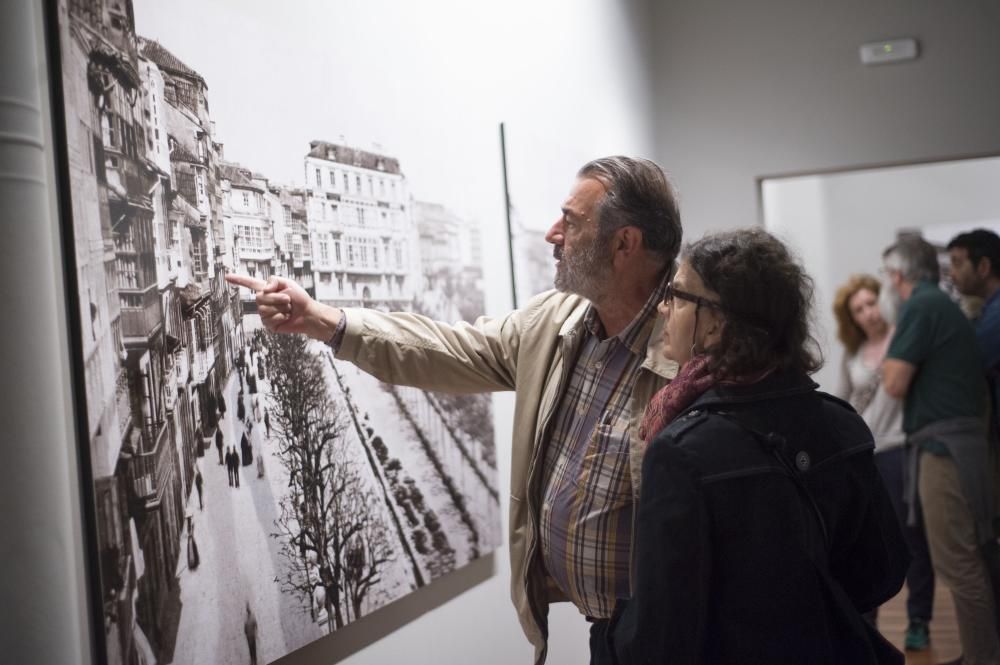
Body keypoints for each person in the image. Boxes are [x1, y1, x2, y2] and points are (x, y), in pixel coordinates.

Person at [227, 156, 683, 664]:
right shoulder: (559, 323)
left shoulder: (696, 352)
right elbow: (449, 349)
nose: (553, 234)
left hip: (675, 638)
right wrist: (324, 320)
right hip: (609, 635)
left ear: (625, 243)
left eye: (571, 221)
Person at [607, 228, 909, 664]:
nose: (663, 307)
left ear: (716, 321)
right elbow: (882, 574)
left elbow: (665, 640)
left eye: (676, 294)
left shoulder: (682, 453)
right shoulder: (841, 422)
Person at [881, 236, 999, 665]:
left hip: (943, 449)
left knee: (960, 564)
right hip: (956, 445)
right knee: (969, 560)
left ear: (899, 275)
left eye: (887, 276)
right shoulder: (939, 304)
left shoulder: (922, 305)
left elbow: (893, 382)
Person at [832, 274, 934, 649]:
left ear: (880, 302)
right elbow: (841, 401)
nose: (868, 313)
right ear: (852, 318)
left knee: (914, 541)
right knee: (866, 542)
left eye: (871, 303)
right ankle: (866, 625)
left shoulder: (901, 339)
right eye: (859, 309)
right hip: (867, 455)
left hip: (902, 450)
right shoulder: (854, 355)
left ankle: (919, 621)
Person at [947, 228, 1000, 436]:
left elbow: (971, 362)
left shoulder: (997, 313)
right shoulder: (988, 310)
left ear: (984, 267)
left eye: (958, 263)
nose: (951, 273)